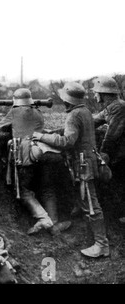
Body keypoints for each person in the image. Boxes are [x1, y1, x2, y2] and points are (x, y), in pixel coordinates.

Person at [32, 82, 110, 258]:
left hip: (83, 166)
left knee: (91, 204)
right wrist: (52, 132)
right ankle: (96, 240)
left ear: (68, 100)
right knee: (87, 202)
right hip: (89, 161)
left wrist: (41, 136)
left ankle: (102, 244)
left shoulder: (73, 115)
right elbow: (74, 132)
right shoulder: (85, 111)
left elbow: (68, 141)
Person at [0, 88, 71, 235]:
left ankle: (44, 219)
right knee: (47, 189)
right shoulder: (37, 112)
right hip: (47, 151)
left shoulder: (15, 112)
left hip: (28, 153)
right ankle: (54, 223)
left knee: (23, 191)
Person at [91, 76, 125, 224]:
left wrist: (103, 153)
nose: (94, 95)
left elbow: (112, 135)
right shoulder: (110, 108)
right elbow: (91, 123)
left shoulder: (119, 107)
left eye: (96, 92)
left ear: (102, 93)